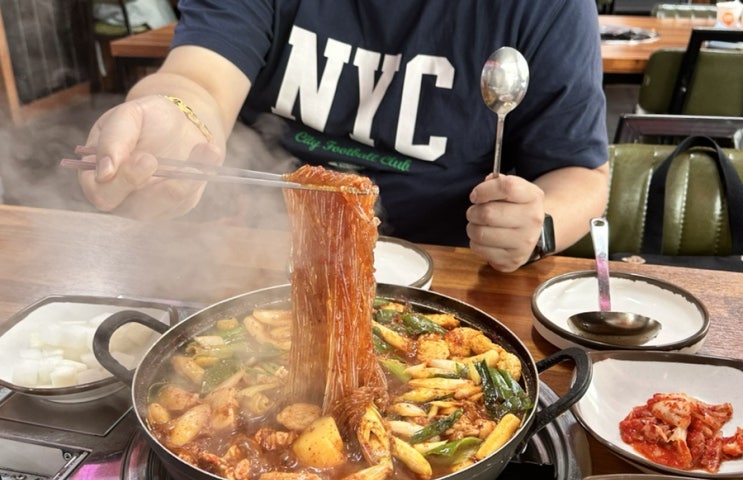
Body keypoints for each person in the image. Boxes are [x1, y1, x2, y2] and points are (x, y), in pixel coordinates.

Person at [79, 0, 609, 272]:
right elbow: (198, 80)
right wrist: (173, 117)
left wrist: (535, 228)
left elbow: (581, 172)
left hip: (445, 275)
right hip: (254, 258)